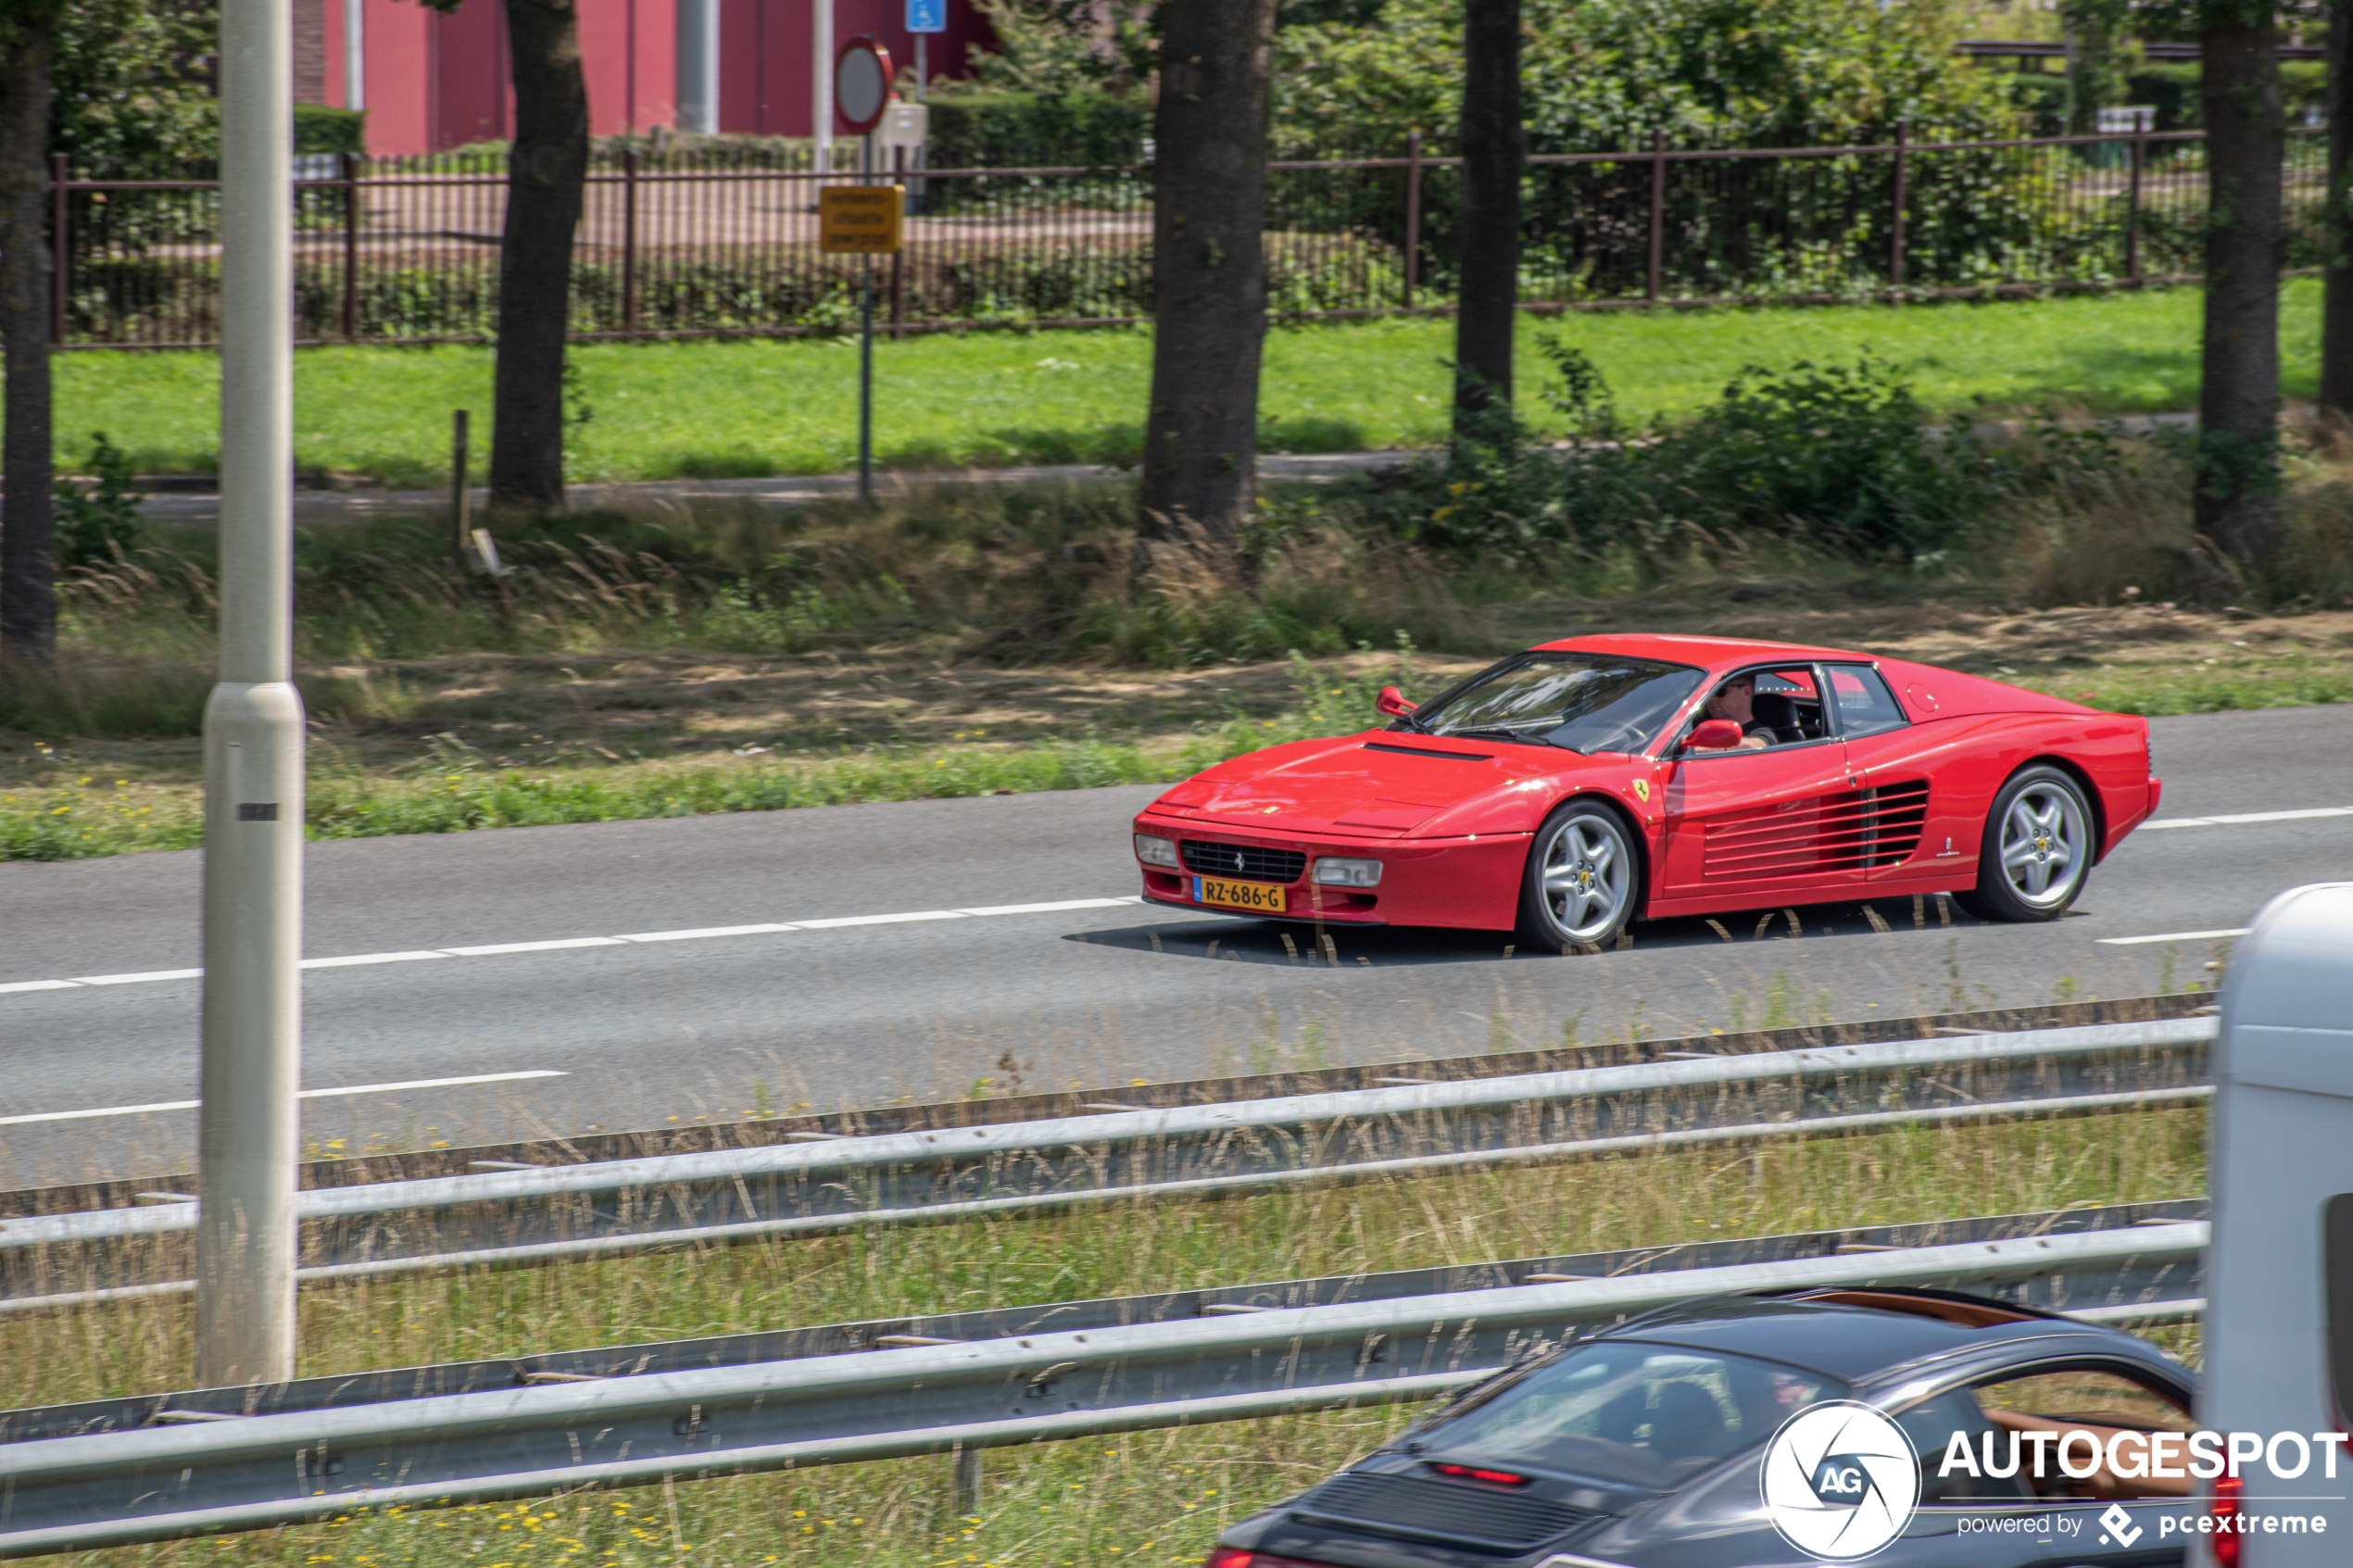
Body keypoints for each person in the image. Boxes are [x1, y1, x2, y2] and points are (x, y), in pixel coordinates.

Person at [1701, 674, 1774, 750]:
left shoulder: (1762, 734)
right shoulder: (1702, 728)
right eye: (1708, 693)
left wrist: (1695, 749)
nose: (1711, 698)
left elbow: (1752, 746)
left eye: (1720, 691)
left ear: (1746, 692)